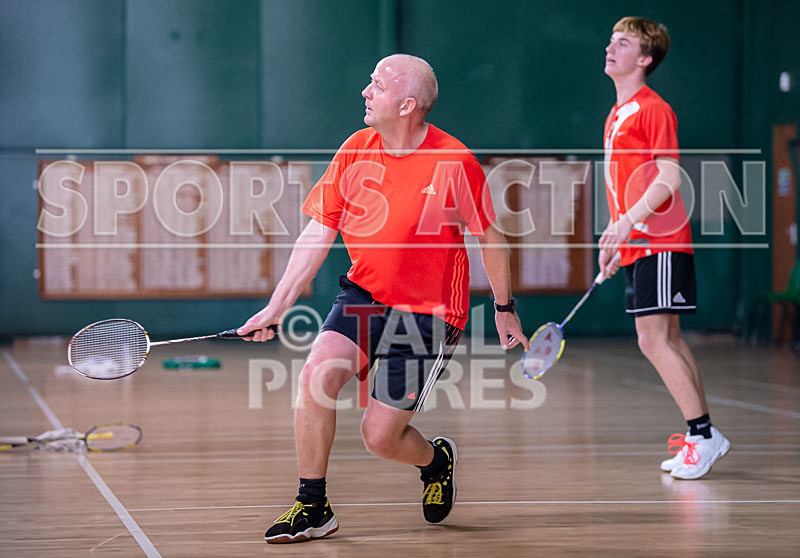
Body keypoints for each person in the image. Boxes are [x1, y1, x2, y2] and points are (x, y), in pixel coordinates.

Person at [238, 53, 528, 543]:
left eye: (377, 85)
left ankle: (436, 462)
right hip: (364, 295)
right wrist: (276, 306)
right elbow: (317, 232)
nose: (365, 92)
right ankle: (313, 507)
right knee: (314, 378)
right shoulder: (355, 148)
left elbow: (490, 238)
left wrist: (504, 308)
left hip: (428, 314)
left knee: (380, 438)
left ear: (407, 104)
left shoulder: (454, 161)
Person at [598, 17, 730, 480]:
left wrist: (628, 225)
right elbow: (628, 187)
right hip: (639, 243)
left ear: (646, 58)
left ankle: (702, 435)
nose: (611, 48)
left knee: (652, 340)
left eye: (624, 43)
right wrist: (616, 237)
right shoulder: (617, 114)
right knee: (666, 339)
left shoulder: (653, 109)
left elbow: (669, 177)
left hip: (662, 240)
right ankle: (703, 434)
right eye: (611, 41)